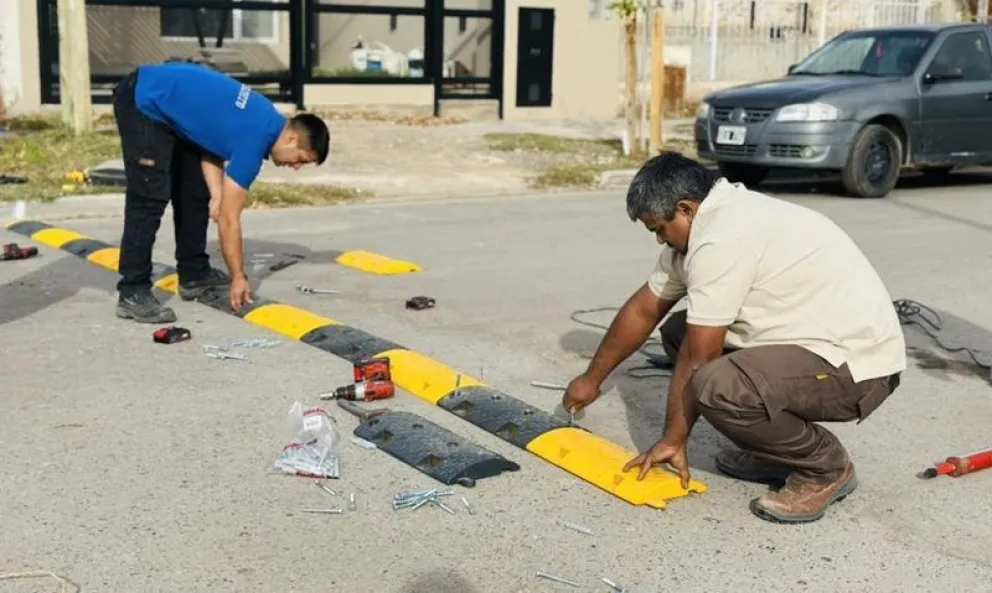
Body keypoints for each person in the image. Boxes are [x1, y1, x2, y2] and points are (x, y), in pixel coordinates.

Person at [562, 152, 906, 524]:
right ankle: (776, 449)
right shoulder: (704, 224)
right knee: (679, 332)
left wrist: (673, 439)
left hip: (858, 367)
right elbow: (644, 309)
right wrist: (591, 379)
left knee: (716, 385)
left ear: (686, 209)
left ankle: (824, 467)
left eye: (659, 229)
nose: (660, 240)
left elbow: (700, 359)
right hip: (813, 342)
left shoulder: (722, 238)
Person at [111, 61, 330, 323]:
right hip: (146, 99)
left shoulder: (266, 118)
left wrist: (216, 194)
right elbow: (229, 220)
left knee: (194, 192)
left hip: (171, 107)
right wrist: (238, 277)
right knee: (148, 198)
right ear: (292, 140)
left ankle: (194, 273)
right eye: (300, 160)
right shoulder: (256, 138)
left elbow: (210, 141)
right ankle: (133, 291)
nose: (295, 167)